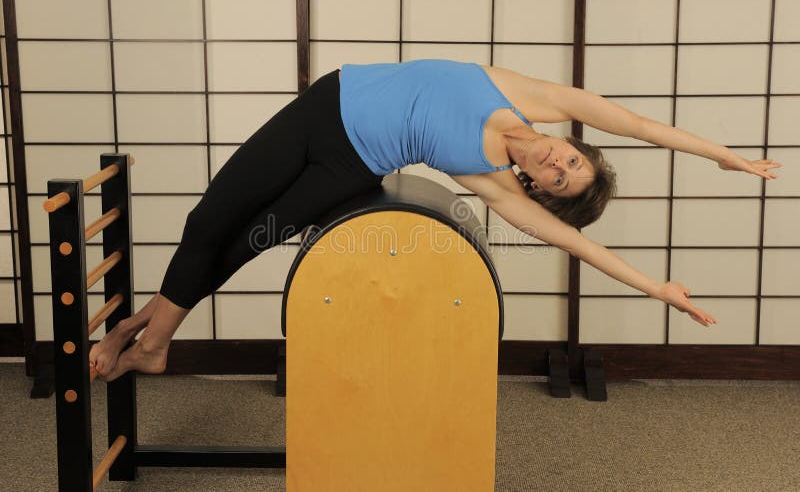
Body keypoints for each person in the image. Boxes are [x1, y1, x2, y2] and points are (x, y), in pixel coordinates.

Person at [88, 58, 781, 381]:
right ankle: (151, 338)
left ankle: (151, 340)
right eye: (570, 158)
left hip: (348, 167)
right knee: (210, 217)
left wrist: (654, 288)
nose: (556, 163)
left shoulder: (494, 185)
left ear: (539, 189)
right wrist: (722, 155)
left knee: (244, 240)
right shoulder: (525, 94)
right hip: (323, 109)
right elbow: (633, 123)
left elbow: (573, 243)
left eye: (558, 178)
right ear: (569, 140)